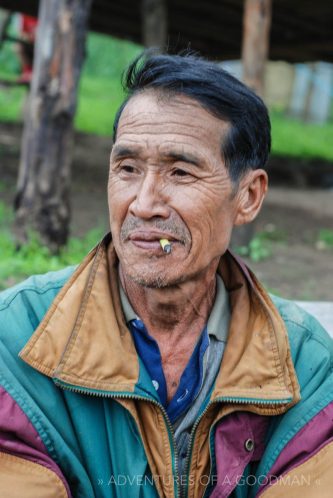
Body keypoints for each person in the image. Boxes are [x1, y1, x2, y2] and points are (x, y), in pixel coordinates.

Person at [0, 52, 332, 498]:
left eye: (180, 171)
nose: (143, 203)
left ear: (248, 196)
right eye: (128, 169)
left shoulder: (305, 366)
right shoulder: (17, 340)